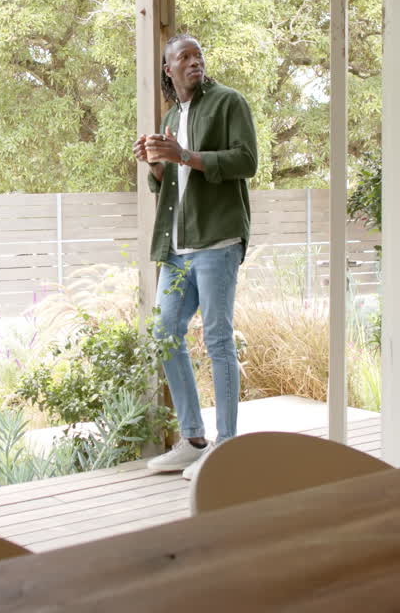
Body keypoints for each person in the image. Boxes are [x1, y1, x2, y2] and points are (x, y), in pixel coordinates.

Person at [132, 34, 257, 480]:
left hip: (218, 241)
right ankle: (194, 440)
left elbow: (246, 161)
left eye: (197, 55)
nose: (193, 62)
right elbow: (170, 184)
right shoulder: (172, 116)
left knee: (218, 339)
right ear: (168, 69)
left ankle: (227, 446)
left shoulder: (228, 103)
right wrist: (155, 164)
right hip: (178, 247)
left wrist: (185, 155)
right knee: (166, 334)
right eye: (183, 57)